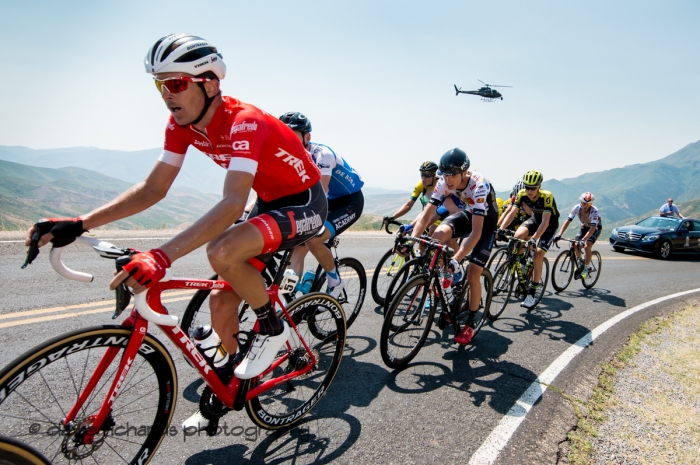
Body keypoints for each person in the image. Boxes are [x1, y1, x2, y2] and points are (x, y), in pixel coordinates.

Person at [25, 34, 327, 432]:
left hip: (305, 203)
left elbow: (233, 204)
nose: (166, 95)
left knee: (221, 250)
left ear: (211, 84)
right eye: (159, 84)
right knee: (220, 306)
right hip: (270, 203)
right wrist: (81, 223)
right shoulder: (181, 124)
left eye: (176, 83)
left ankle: (273, 328)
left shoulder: (245, 121)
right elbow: (153, 189)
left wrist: (162, 255)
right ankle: (230, 389)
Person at [406, 148, 498, 344]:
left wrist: (458, 258)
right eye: (445, 174)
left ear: (465, 172)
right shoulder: (443, 182)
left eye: (453, 174)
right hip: (467, 213)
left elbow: (476, 232)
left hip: (485, 223)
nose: (448, 179)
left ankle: (471, 323)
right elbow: (426, 216)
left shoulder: (478, 185)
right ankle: (447, 283)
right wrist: (413, 241)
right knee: (437, 235)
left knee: (473, 273)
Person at [281, 112, 364, 297]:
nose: (285, 140)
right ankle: (288, 297)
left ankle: (335, 282)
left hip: (349, 202)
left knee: (313, 239)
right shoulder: (287, 155)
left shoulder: (322, 155)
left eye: (291, 135)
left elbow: (320, 190)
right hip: (327, 201)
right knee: (296, 248)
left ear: (307, 137)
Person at [497, 170, 559, 309]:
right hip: (535, 219)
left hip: (548, 224)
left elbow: (545, 222)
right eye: (527, 187)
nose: (529, 191)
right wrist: (500, 228)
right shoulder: (521, 194)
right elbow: (511, 213)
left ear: (539, 186)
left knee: (538, 255)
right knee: (516, 237)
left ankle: (531, 293)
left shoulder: (546, 196)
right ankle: (522, 263)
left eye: (533, 188)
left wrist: (535, 238)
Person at [383, 161, 462, 234]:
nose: (423, 178)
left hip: (446, 213)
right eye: (422, 174)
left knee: (430, 231)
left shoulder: (440, 185)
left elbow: (435, 210)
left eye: (427, 175)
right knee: (420, 236)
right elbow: (408, 205)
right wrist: (393, 217)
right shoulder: (420, 185)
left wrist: (411, 226)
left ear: (434, 176)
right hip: (432, 213)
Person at [554, 192, 602, 279]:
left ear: (591, 204)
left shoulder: (594, 211)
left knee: (587, 246)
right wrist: (559, 234)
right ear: (581, 202)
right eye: (584, 203)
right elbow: (567, 221)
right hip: (584, 227)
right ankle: (581, 262)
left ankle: (587, 268)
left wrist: (584, 240)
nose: (585, 206)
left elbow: (592, 229)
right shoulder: (576, 208)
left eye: (588, 204)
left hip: (594, 229)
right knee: (575, 244)